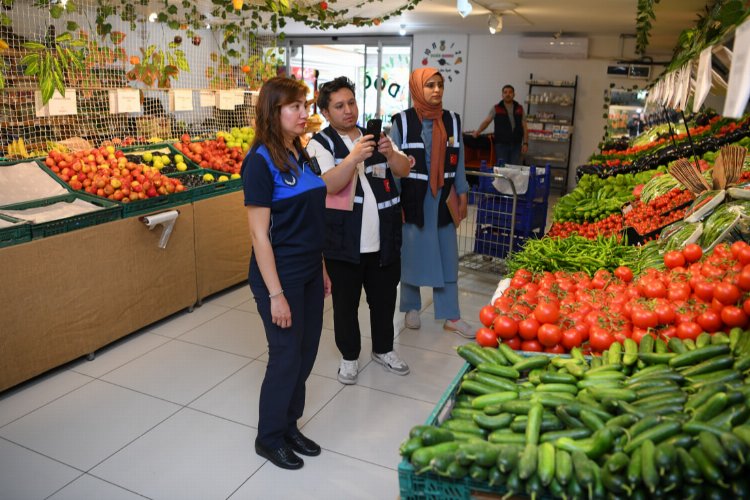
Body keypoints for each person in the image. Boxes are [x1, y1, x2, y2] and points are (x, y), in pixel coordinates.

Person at [241, 76, 331, 470]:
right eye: (294, 107)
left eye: (305, 105)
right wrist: (276, 294)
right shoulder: (259, 162)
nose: (303, 113)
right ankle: (269, 437)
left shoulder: (301, 152)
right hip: (280, 276)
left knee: (307, 353)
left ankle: (290, 424)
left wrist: (323, 269)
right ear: (272, 112)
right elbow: (260, 236)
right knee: (285, 357)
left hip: (310, 271)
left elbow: (313, 220)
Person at [306, 76, 411, 385]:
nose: (348, 110)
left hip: (385, 239)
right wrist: (353, 157)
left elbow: (404, 169)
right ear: (326, 112)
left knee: (384, 299)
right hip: (343, 241)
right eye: (339, 106)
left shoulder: (374, 136)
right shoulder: (319, 144)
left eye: (351, 102)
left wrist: (391, 154)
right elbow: (328, 184)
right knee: (346, 304)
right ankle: (349, 356)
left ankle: (384, 349)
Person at [390, 68, 473, 339]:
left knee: (448, 256)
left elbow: (458, 163)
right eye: (429, 85)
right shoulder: (401, 122)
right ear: (417, 88)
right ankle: (411, 308)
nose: (436, 90)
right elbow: (395, 165)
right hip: (413, 200)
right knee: (411, 255)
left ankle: (452, 315)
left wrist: (462, 194)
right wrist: (395, 203)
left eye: (440, 85)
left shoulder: (453, 121)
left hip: (443, 200)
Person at [472, 84, 529, 166]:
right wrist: (478, 131)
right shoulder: (496, 108)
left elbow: (524, 127)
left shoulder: (519, 108)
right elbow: (487, 121)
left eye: (510, 92)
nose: (508, 94)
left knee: (515, 169)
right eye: (505, 92)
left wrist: (525, 143)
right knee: (501, 170)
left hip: (516, 145)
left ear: (514, 94)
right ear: (502, 95)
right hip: (501, 145)